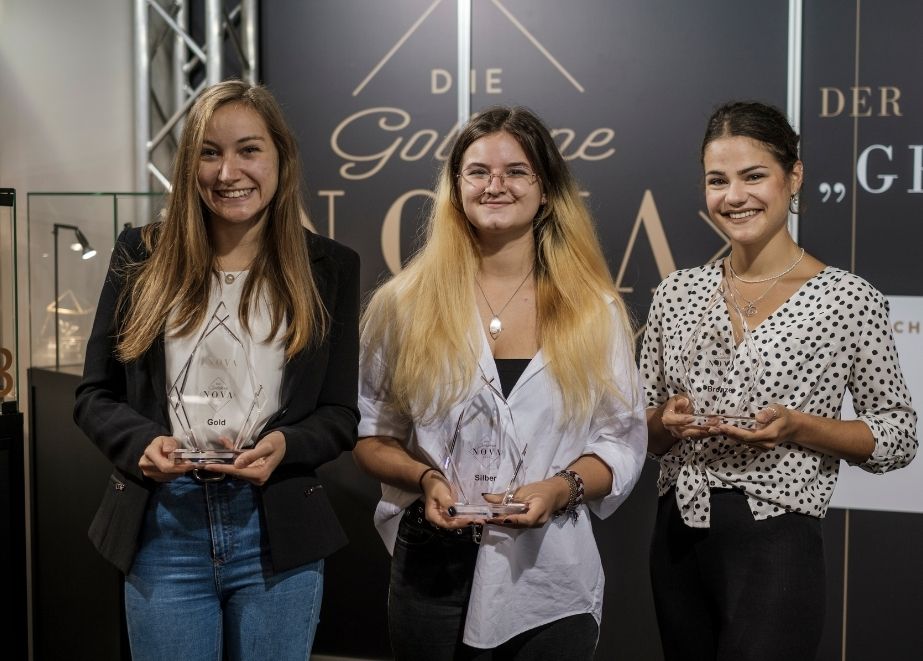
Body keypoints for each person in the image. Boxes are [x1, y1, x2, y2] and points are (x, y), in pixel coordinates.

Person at [74, 80, 360, 660]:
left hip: (275, 531)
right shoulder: (140, 256)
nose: (228, 171)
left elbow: (339, 415)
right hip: (163, 529)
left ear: (280, 158)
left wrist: (285, 443)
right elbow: (93, 395)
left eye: (249, 149)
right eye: (209, 152)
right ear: (188, 166)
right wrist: (144, 443)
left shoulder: (329, 267)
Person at [353, 105, 647, 660]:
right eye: (478, 172)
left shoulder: (594, 310)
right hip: (431, 567)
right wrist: (425, 478)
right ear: (455, 187)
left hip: (549, 576)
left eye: (516, 171)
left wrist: (558, 489)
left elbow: (620, 440)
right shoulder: (403, 305)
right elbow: (372, 437)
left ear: (545, 189)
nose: (496, 186)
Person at [641, 100, 918, 661]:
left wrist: (800, 428)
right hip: (677, 536)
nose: (734, 196)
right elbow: (638, 432)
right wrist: (665, 424)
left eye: (754, 176)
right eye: (717, 181)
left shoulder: (848, 298)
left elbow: (898, 437)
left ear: (794, 176)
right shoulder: (677, 292)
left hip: (777, 541)